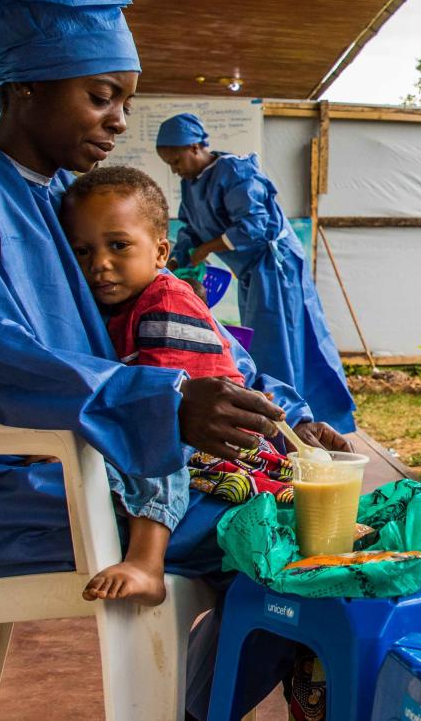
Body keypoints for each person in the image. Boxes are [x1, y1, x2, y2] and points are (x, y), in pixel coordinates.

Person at [0, 0, 342, 716]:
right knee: (291, 539)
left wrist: (280, 407)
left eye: (123, 101)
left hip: (65, 472)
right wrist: (159, 405)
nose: (119, 121)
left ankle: (189, 707)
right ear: (27, 84)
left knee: (309, 514)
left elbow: (175, 328)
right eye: (103, 97)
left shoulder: (63, 208)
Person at [58, 165, 307, 606]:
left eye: (118, 246)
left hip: (218, 443)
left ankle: (146, 560)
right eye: (81, 251)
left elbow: (161, 408)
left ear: (159, 252)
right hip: (196, 435)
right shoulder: (117, 305)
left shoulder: (165, 302)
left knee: (150, 431)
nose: (99, 264)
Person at [155, 113, 358, 432]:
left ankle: (300, 423)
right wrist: (173, 263)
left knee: (281, 343)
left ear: (196, 147)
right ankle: (274, 417)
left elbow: (256, 226)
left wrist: (207, 249)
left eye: (177, 160)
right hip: (252, 270)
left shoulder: (234, 171)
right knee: (263, 343)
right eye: (170, 165)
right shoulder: (191, 184)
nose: (175, 169)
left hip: (275, 265)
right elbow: (191, 230)